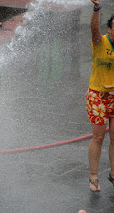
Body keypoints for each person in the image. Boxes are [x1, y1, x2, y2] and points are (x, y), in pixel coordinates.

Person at [86, 0, 114, 192]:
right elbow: (94, 27)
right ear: (110, 30)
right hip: (97, 95)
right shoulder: (100, 41)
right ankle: (94, 176)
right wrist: (96, 8)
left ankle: (113, 174)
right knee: (99, 136)